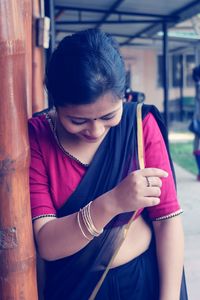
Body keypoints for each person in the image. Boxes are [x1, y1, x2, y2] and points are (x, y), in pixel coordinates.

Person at [28, 29, 187, 300]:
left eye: (108, 116)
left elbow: (166, 221)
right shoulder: (39, 136)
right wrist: (112, 203)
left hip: (140, 282)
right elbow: (47, 244)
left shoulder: (138, 125)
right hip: (73, 288)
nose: (96, 130)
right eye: (78, 120)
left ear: (123, 98)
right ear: (55, 103)